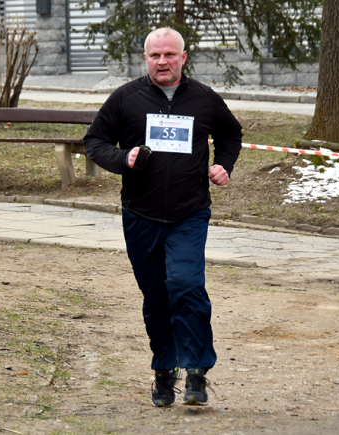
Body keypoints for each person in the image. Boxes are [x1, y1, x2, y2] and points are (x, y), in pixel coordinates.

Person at [83, 27, 243, 407]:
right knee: (156, 297)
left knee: (186, 285)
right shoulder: (126, 99)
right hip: (141, 214)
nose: (163, 62)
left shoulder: (204, 99)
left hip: (189, 213)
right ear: (146, 59)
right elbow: (95, 141)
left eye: (170, 55)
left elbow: (231, 134)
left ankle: (197, 373)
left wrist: (223, 165)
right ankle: (163, 369)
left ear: (183, 58)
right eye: (155, 56)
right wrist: (124, 159)